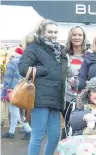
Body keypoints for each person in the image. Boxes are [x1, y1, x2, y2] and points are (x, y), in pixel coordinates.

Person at [18, 19, 64, 155]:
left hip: (55, 98)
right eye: (50, 31)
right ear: (42, 32)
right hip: (39, 98)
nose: (53, 34)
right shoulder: (34, 48)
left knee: (55, 136)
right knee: (38, 135)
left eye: (55, 32)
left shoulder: (58, 50)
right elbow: (22, 68)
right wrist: (43, 70)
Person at [60, 26, 89, 138]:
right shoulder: (64, 55)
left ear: (84, 37)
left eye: (80, 35)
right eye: (74, 35)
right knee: (69, 126)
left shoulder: (90, 55)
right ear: (70, 37)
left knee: (84, 128)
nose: (77, 37)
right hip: (68, 99)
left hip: (85, 99)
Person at [1, 47, 32, 140]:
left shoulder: (11, 63)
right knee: (14, 111)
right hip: (22, 91)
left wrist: (3, 93)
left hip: (12, 91)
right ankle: (11, 132)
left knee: (15, 113)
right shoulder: (26, 63)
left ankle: (29, 130)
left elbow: (7, 80)